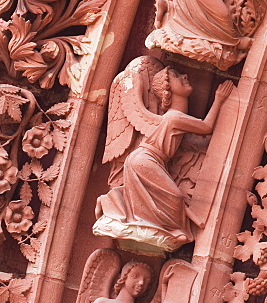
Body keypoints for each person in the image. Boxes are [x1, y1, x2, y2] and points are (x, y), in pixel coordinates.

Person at [93, 70, 233, 251]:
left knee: (149, 198)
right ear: (167, 89)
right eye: (176, 76)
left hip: (144, 160)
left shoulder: (174, 118)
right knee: (174, 196)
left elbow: (192, 140)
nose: (184, 76)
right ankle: (173, 229)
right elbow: (206, 126)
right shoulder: (174, 117)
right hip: (146, 159)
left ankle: (109, 201)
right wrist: (219, 100)